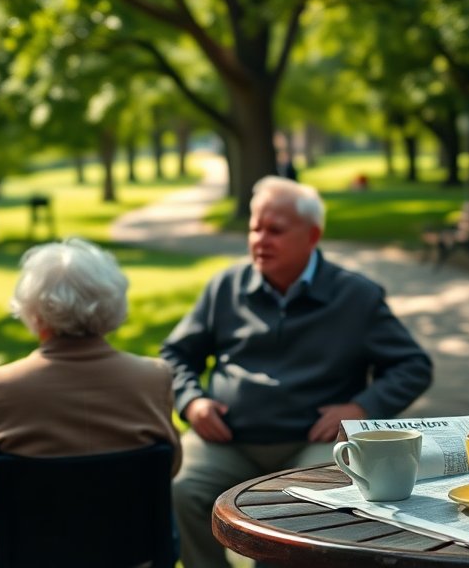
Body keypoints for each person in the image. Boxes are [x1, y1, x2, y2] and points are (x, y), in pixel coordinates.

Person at [161, 175, 433, 568]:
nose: (260, 239)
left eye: (275, 230)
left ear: (312, 235)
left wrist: (361, 407)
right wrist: (192, 402)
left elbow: (413, 365)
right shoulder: (225, 287)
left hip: (310, 443)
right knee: (180, 489)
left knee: (298, 508)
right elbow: (175, 354)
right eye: (255, 228)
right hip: (228, 439)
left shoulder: (356, 295)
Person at [0, 237, 181, 512]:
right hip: (134, 549)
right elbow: (171, 467)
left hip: (32, 552)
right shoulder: (153, 377)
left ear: (34, 311)